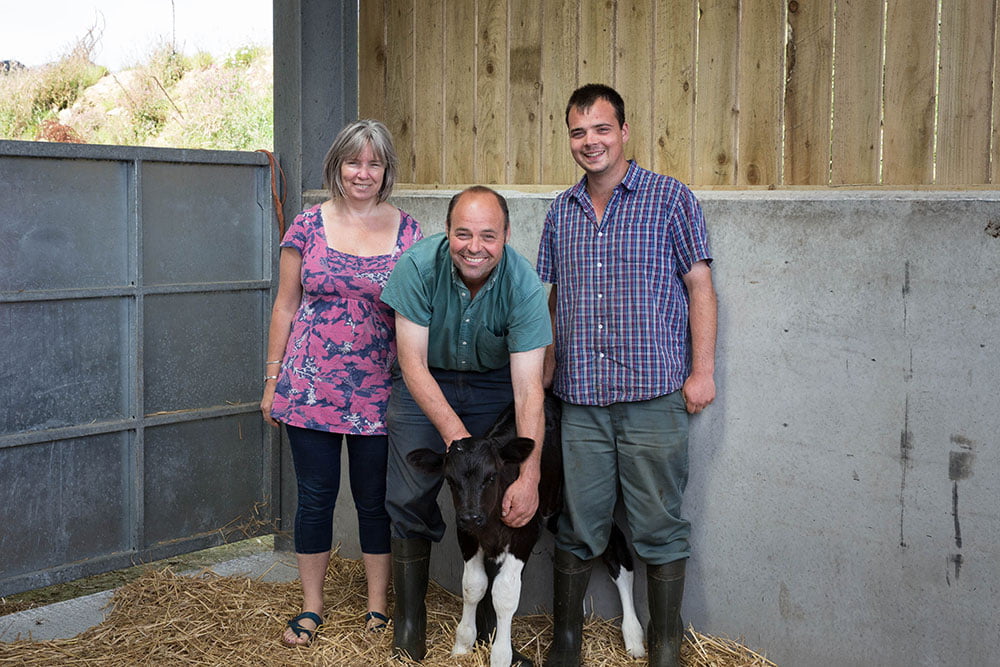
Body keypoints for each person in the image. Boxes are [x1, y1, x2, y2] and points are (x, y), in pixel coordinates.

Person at [536, 84, 717, 667]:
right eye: (578, 131)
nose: (590, 142)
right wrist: (547, 366)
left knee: (658, 524)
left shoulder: (670, 199)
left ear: (624, 132)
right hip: (582, 402)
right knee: (576, 522)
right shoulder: (560, 212)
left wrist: (702, 370)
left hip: (654, 397)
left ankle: (665, 645)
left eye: (601, 129)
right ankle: (567, 646)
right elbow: (554, 296)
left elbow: (699, 287)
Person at [260, 119, 423, 646]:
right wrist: (272, 379)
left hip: (380, 389)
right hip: (308, 390)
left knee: (375, 498)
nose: (363, 172)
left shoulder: (410, 232)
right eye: (354, 161)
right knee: (315, 497)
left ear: (386, 170)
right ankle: (312, 608)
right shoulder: (307, 226)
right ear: (337, 165)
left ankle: (378, 608)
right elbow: (285, 306)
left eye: (374, 163)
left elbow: (421, 313)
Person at [380, 186, 551, 663]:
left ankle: (493, 631)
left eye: (488, 236)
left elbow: (528, 389)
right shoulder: (417, 267)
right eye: (463, 233)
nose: (474, 246)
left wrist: (531, 475)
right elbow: (411, 365)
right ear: (448, 231)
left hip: (494, 387)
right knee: (411, 490)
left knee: (496, 493)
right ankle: (410, 622)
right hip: (425, 384)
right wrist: (458, 444)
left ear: (506, 236)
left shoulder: (523, 285)